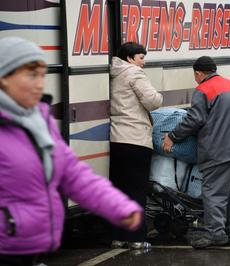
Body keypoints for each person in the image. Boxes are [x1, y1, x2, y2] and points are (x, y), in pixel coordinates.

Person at [0, 37, 144, 265]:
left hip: (28, 251)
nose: (40, 84)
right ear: (4, 77)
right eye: (30, 74)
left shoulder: (39, 122)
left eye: (42, 75)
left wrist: (119, 207)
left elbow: (75, 176)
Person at [162, 56, 230, 249]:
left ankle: (215, 234)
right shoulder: (229, 85)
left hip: (219, 150)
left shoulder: (203, 89)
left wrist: (172, 136)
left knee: (214, 193)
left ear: (198, 73)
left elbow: (194, 119)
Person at [109, 42, 163, 249]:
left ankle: (117, 236)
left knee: (118, 190)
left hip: (116, 139)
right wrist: (160, 96)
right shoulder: (134, 74)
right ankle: (136, 238)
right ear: (130, 58)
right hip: (136, 139)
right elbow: (153, 101)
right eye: (141, 57)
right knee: (136, 190)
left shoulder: (113, 73)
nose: (144, 62)